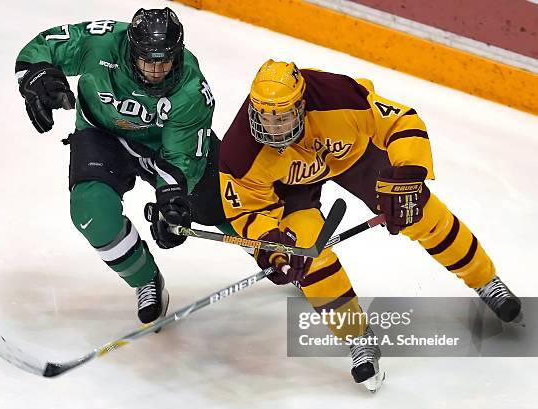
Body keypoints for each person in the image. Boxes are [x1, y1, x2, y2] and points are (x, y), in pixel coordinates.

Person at [219, 60, 522, 391]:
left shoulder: (339, 97)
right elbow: (246, 211)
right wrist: (272, 247)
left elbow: (401, 120)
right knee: (311, 261)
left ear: (302, 105)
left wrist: (407, 175)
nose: (274, 127)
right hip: (288, 189)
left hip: (352, 157)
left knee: (419, 211)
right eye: (265, 116)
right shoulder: (240, 151)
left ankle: (485, 280)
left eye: (284, 116)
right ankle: (358, 339)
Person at [14, 8, 227, 323]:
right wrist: (37, 76)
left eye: (165, 62)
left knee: (226, 206)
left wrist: (171, 199)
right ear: (131, 52)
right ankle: (146, 280)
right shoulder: (102, 43)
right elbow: (42, 47)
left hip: (162, 147)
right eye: (148, 62)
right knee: (91, 212)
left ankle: (270, 252)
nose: (157, 72)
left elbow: (181, 158)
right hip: (102, 134)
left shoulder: (191, 89)